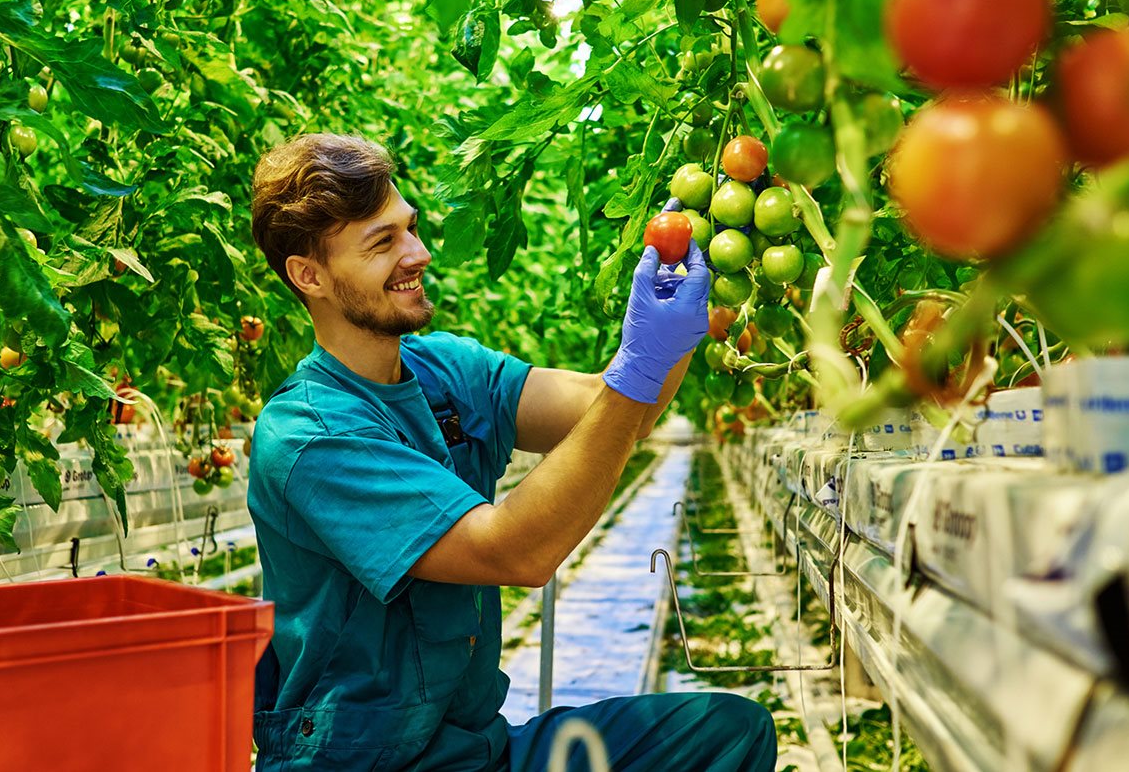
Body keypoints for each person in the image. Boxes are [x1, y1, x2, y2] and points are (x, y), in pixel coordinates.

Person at [246, 134, 777, 771]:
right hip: (359, 763)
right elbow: (514, 551)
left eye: (409, 228)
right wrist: (642, 363)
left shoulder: (443, 368)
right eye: (381, 243)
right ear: (310, 276)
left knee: (727, 732)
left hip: (474, 751)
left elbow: (614, 413)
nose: (416, 253)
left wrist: (681, 288)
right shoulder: (309, 433)